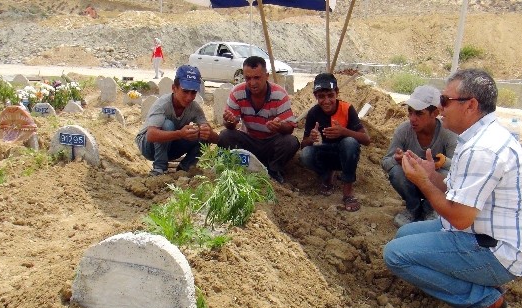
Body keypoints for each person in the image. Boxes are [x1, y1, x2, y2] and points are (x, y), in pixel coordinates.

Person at [382, 69, 522, 308]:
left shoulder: (483, 149)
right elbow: (458, 190)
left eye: (445, 101)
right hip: (481, 234)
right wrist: (432, 175)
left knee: (395, 255)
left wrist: (421, 181)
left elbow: (459, 217)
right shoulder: (477, 139)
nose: (441, 109)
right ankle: (472, 282)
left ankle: (483, 299)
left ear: (471, 105)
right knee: (404, 234)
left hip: (494, 251)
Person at [381, 85, 457, 227]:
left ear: (434, 113)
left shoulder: (448, 133)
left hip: (435, 182)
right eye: (410, 112)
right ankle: (413, 208)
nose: (412, 118)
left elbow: (458, 169)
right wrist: (396, 160)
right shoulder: (404, 131)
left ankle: (431, 208)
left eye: (419, 113)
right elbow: (386, 161)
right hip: (412, 182)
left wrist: (439, 164)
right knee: (396, 172)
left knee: (447, 174)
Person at [218, 56, 299, 184]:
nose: (252, 83)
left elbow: (290, 128)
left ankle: (273, 171)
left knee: (290, 142)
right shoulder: (237, 92)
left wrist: (279, 127)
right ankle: (241, 167)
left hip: (271, 143)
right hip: (249, 140)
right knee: (225, 136)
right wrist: (229, 122)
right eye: (248, 78)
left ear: (266, 76)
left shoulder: (280, 94)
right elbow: (230, 125)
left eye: (257, 78)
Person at [299, 73, 371, 212]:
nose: (326, 101)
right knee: (306, 154)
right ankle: (327, 175)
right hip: (325, 152)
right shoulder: (313, 113)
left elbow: (366, 139)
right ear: (316, 96)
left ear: (336, 93)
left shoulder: (347, 109)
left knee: (350, 142)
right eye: (321, 97)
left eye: (330, 95)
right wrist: (311, 139)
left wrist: (344, 132)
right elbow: (304, 145)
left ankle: (348, 191)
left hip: (344, 155)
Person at [135, 65, 218, 176]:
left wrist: (208, 133)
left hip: (171, 147)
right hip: (148, 146)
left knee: (204, 133)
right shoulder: (163, 105)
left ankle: (185, 168)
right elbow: (151, 135)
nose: (189, 97)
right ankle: (159, 168)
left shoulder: (194, 108)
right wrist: (180, 134)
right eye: (185, 91)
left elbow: (213, 136)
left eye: (193, 93)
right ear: (174, 88)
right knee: (167, 125)